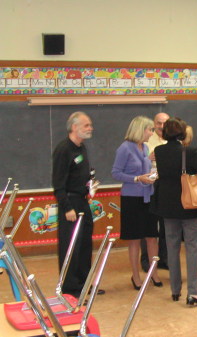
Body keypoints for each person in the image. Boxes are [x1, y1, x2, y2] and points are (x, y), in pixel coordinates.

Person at [150, 118, 197, 306]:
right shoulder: (190, 151)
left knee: (171, 247)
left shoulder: (159, 151)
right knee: (192, 247)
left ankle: (175, 290)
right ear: (182, 132)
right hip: (188, 204)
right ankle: (193, 292)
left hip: (167, 205)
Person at [52, 111, 104, 297]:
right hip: (70, 203)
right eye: (86, 125)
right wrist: (67, 208)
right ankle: (69, 288)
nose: (90, 128)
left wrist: (90, 184)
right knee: (71, 245)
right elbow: (58, 184)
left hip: (83, 201)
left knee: (84, 245)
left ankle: (83, 283)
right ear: (74, 127)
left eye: (90, 125)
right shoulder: (63, 149)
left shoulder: (81, 148)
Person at [112, 116, 162, 290]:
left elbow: (145, 169)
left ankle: (154, 273)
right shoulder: (124, 148)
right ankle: (135, 276)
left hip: (148, 196)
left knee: (152, 237)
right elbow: (116, 173)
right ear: (140, 130)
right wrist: (136, 178)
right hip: (131, 199)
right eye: (149, 130)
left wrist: (152, 172)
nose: (152, 133)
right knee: (134, 239)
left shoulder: (146, 148)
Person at [140, 112, 170, 272]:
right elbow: (139, 163)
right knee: (149, 225)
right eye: (159, 123)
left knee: (167, 225)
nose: (161, 127)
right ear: (154, 123)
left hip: (166, 187)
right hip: (149, 186)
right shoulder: (146, 139)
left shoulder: (173, 139)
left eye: (165, 123)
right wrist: (149, 159)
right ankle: (146, 260)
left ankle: (164, 258)